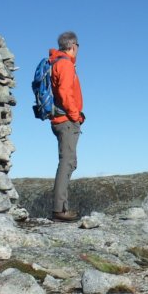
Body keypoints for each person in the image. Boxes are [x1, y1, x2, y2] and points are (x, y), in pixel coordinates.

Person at [49, 31, 84, 221]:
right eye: (78, 46)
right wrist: (75, 115)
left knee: (68, 161)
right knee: (67, 162)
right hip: (66, 121)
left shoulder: (56, 62)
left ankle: (60, 208)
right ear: (73, 46)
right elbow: (64, 93)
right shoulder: (65, 64)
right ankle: (59, 210)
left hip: (61, 120)